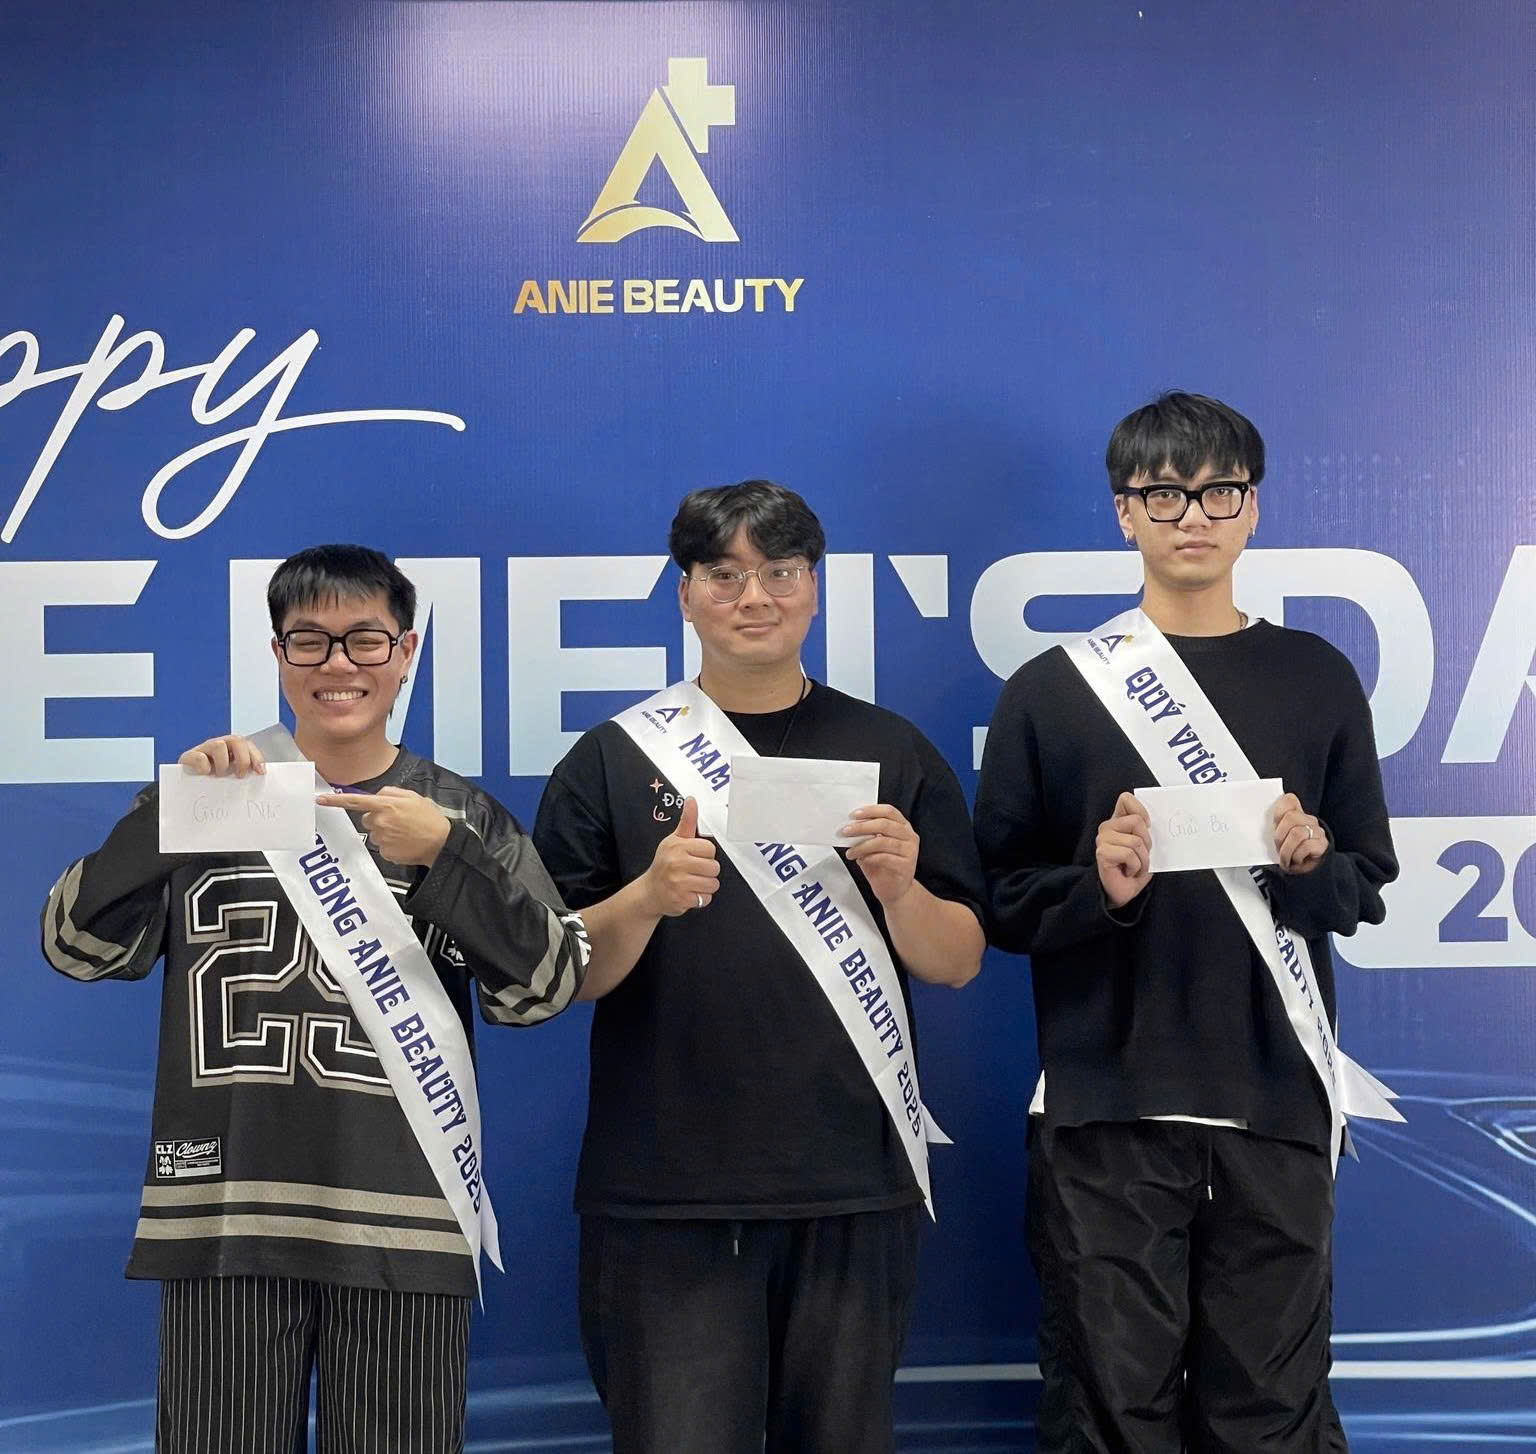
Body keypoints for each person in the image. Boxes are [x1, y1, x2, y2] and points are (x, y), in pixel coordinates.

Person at [40, 543, 588, 1454]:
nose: (339, 664)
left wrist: (447, 856)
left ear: (405, 653)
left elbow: (544, 987)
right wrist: (168, 815)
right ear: (278, 654)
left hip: (406, 1210)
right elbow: (73, 947)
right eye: (310, 641)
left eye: (365, 640)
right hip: (227, 1208)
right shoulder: (208, 796)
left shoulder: (458, 813)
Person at [974, 394, 1399, 1452]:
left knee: (1272, 1414)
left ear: (1253, 507)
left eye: (1219, 491)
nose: (1193, 515)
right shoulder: (1054, 689)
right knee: (1110, 1412)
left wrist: (1312, 867)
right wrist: (1101, 888)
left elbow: (1366, 884)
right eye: (1164, 494)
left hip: (1275, 1095)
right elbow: (998, 897)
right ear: (1125, 512)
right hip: (1107, 1103)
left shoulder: (1317, 675)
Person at [532, 479, 986, 1454]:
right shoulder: (613, 759)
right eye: (724, 574)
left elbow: (958, 959)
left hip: (852, 1182)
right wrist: (645, 896)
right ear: (685, 593)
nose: (754, 597)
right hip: (667, 1191)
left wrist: (902, 889)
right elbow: (560, 971)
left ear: (814, 586)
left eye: (780, 572)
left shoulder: (890, 749)